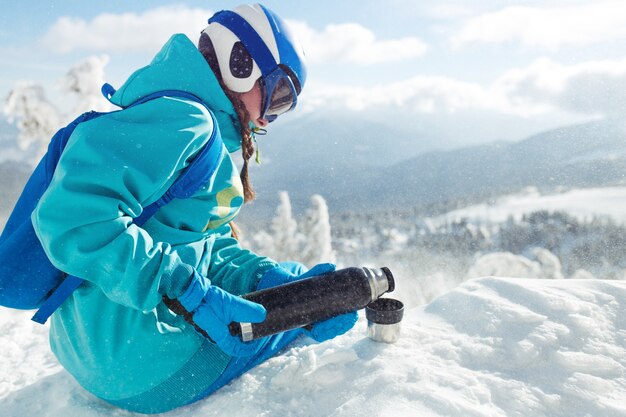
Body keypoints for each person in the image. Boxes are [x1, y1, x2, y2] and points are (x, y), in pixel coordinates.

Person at [31, 4, 357, 414]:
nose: (269, 119)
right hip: (145, 365)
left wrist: (263, 277)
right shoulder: (185, 121)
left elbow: (201, 243)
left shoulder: (176, 118)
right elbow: (72, 218)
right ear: (241, 63)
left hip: (93, 348)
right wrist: (188, 289)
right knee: (290, 315)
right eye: (278, 95)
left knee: (287, 283)